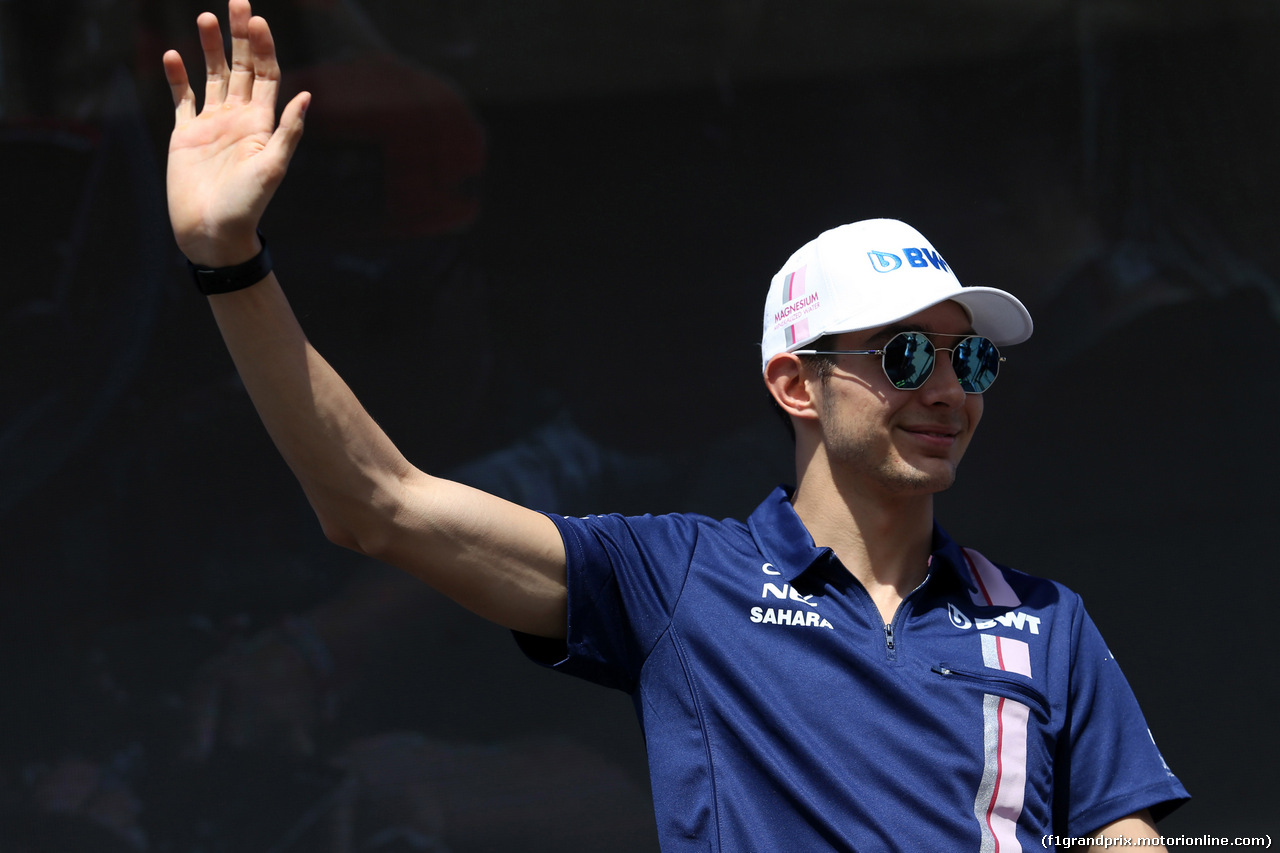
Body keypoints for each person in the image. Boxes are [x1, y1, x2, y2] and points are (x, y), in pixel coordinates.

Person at [162, 2, 1189, 849]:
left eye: (968, 359)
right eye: (905, 357)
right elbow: (376, 502)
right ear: (796, 385)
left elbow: (1127, 840)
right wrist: (229, 259)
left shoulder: (1045, 622)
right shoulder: (681, 580)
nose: (948, 392)